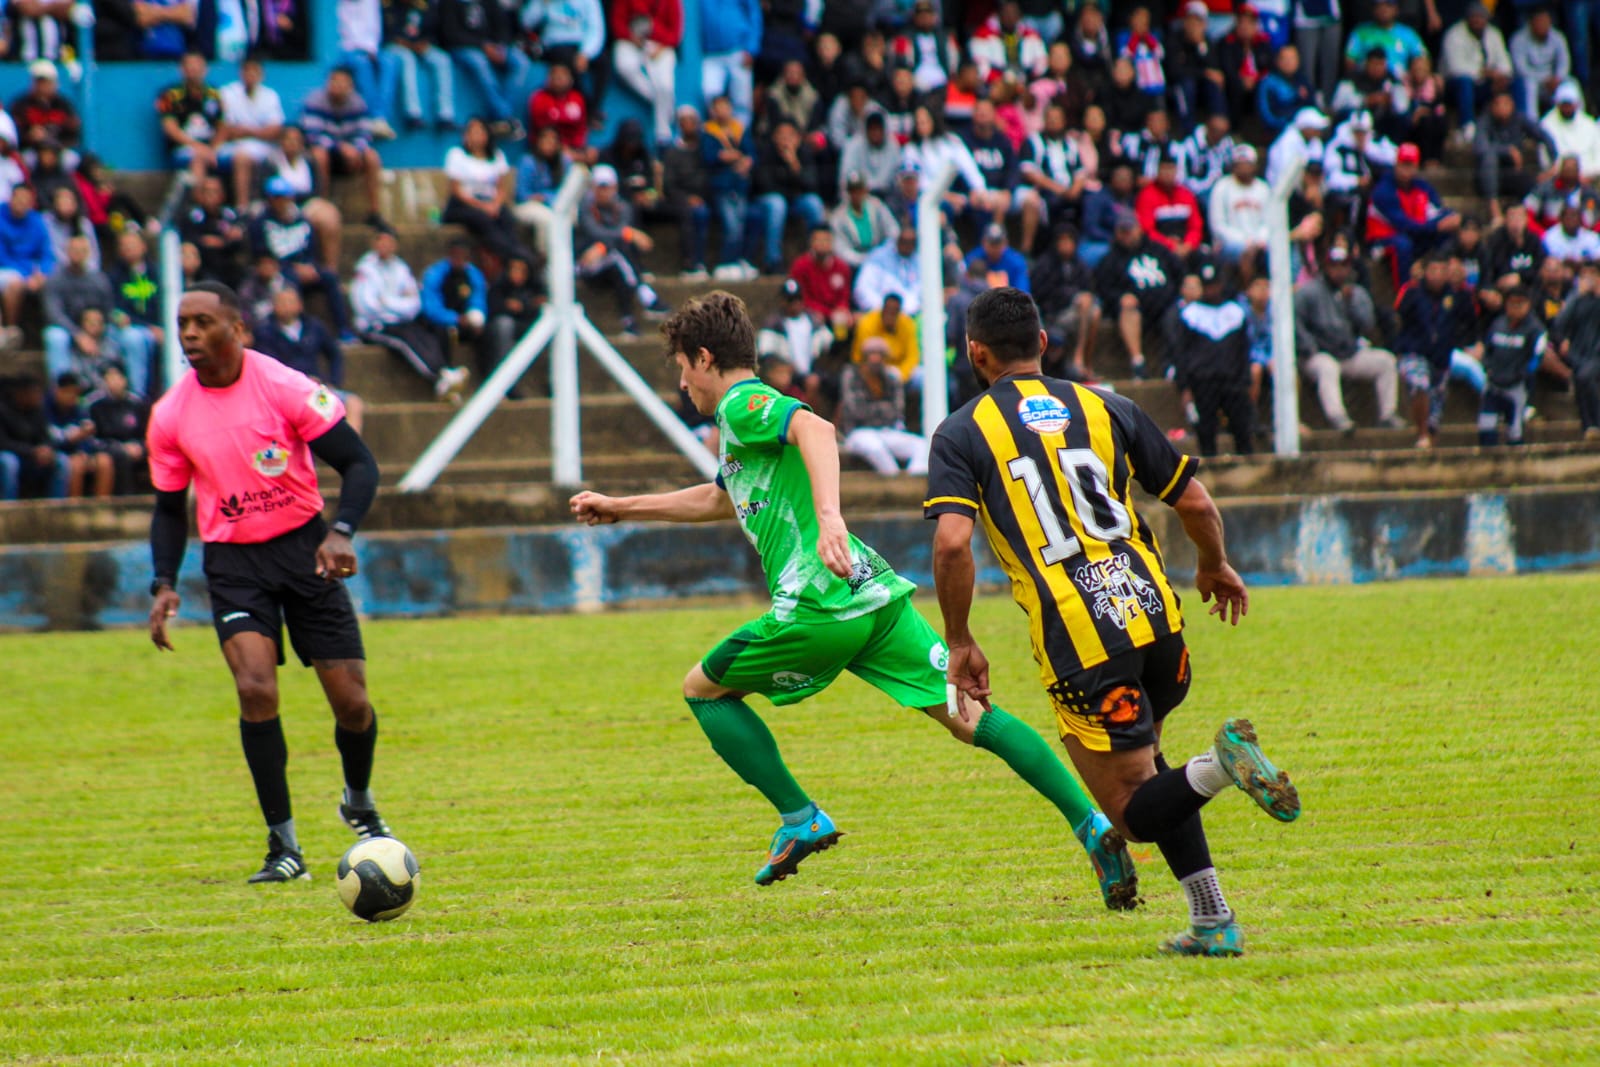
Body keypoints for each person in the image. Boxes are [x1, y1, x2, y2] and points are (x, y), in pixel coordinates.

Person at [569, 290, 1139, 908]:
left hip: (820, 604)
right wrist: (622, 507)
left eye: (682, 367)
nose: (682, 384)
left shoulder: (740, 402)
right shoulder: (740, 432)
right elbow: (717, 498)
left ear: (705, 358)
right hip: (873, 597)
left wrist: (830, 517)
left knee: (701, 690)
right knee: (970, 719)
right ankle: (1094, 826)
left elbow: (814, 427)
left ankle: (798, 816)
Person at [926, 286, 1299, 957]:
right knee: (1151, 768)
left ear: (976, 354)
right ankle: (1212, 918)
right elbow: (1196, 501)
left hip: (1083, 641)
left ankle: (1222, 763)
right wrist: (1214, 564)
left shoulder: (960, 432)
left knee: (1128, 813)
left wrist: (959, 638)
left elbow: (952, 543)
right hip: (1157, 620)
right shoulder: (1107, 405)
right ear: (1043, 343)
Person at [146, 282, 388, 884]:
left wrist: (342, 532)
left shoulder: (284, 386)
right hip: (233, 566)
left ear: (239, 330)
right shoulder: (170, 414)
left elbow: (360, 464)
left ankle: (357, 801)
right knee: (255, 690)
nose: (190, 334)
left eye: (203, 322)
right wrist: (163, 582)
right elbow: (168, 509)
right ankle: (284, 848)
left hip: (306, 552)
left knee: (352, 704)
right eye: (183, 324)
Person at [1294, 244, 1404, 432]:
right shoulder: (1309, 292)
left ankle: (1388, 415)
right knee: (1327, 366)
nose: (1339, 271)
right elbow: (1295, 322)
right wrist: (1309, 347)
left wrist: (1351, 303)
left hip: (1347, 353)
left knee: (1386, 361)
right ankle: (1338, 417)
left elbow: (1368, 323)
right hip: (1317, 356)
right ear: (1326, 267)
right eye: (1334, 266)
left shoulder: (1356, 293)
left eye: (1343, 266)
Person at [352, 227, 468, 399]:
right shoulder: (365, 269)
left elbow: (414, 304)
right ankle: (438, 376)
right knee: (406, 339)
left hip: (401, 321)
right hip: (373, 325)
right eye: (381, 240)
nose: (385, 245)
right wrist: (397, 302)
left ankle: (444, 373)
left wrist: (386, 300)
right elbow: (366, 305)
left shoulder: (400, 268)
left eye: (389, 241)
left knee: (427, 334)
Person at [250, 178, 354, 343]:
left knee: (330, 278)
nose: (280, 201)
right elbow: (261, 255)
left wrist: (310, 266)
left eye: (284, 196)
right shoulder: (260, 223)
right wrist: (290, 266)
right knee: (290, 282)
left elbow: (311, 247)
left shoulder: (302, 220)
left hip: (305, 267)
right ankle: (301, 331)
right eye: (276, 197)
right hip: (279, 270)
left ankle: (344, 329)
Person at [576, 164, 670, 340]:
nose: (603, 192)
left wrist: (607, 244)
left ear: (615, 187)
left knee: (618, 258)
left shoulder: (623, 207)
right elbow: (594, 232)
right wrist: (625, 235)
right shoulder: (585, 208)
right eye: (600, 187)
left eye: (607, 187)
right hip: (587, 264)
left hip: (613, 263)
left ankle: (629, 321)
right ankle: (645, 295)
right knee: (619, 255)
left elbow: (618, 234)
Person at [1396, 253, 1480, 448]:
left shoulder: (1456, 295)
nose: (1438, 275)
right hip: (1414, 352)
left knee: (1436, 409)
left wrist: (1471, 343)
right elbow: (1400, 313)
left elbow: (1470, 321)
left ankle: (1429, 439)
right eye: (1433, 270)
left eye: (1443, 271)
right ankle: (1422, 434)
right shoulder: (1413, 293)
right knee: (1420, 385)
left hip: (1441, 357)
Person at [1171, 262, 1254, 457]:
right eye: (1207, 286)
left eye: (1214, 285)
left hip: (1232, 381)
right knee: (1205, 431)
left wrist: (1245, 380)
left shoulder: (1235, 312)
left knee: (1242, 428)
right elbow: (1180, 353)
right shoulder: (1190, 315)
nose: (1211, 290)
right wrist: (1184, 387)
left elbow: (1243, 350)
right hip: (1203, 382)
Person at [253, 286, 364, 432]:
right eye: (282, 302)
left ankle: (350, 451)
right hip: (287, 395)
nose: (286, 306)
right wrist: (300, 381)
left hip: (317, 390)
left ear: (299, 305)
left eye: (290, 302)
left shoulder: (314, 327)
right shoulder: (265, 332)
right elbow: (268, 367)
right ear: (274, 306)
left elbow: (334, 354)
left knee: (352, 403)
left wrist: (332, 382)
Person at [1094, 210, 1181, 381]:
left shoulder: (1158, 250)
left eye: (1130, 229)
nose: (1127, 235)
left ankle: (1174, 363)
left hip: (1166, 305)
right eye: (1122, 231)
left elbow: (1179, 273)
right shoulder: (1110, 259)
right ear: (1116, 232)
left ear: (1139, 229)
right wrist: (1120, 297)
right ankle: (1138, 363)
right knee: (1128, 310)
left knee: (1176, 314)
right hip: (1136, 310)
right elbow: (1103, 289)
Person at [301, 67, 385, 227]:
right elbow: (313, 135)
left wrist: (355, 150)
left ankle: (374, 213)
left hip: (351, 156)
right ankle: (322, 206)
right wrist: (340, 148)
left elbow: (365, 133)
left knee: (372, 156)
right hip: (326, 154)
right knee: (319, 154)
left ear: (350, 85)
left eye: (342, 82)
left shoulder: (358, 103)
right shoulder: (314, 100)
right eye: (333, 81)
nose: (337, 85)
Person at [1368, 143, 1461, 282]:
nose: (1406, 170)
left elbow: (1439, 211)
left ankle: (1439, 281)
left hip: (1415, 234)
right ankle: (1404, 291)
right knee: (1403, 244)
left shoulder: (1421, 187)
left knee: (1447, 232)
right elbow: (1403, 224)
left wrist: (1449, 218)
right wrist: (1436, 226)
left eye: (1410, 165)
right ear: (1396, 164)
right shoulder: (1383, 191)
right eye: (1403, 164)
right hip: (1385, 239)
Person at [439, 0, 530, 139]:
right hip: (463, 47)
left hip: (491, 47)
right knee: (479, 63)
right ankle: (504, 117)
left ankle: (502, 118)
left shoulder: (489, 2)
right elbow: (450, 34)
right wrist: (482, 46)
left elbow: (503, 27)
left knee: (521, 62)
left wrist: (500, 46)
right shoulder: (449, 3)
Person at [837, 335, 928, 475]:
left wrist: (875, 410)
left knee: (922, 445)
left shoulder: (891, 377)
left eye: (879, 355)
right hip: (859, 432)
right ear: (864, 357)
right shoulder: (851, 376)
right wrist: (883, 409)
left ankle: (912, 480)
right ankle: (896, 482)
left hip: (888, 431)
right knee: (875, 447)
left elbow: (897, 411)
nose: (875, 359)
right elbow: (857, 410)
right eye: (871, 354)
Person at [441, 118, 525, 263]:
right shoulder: (457, 155)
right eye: (471, 132)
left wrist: (495, 205)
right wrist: (482, 206)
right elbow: (456, 190)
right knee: (484, 221)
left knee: (506, 218)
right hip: (464, 205)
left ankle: (519, 253)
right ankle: (512, 258)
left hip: (490, 202)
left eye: (480, 132)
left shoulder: (497, 156)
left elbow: (501, 188)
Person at [752, 120, 825, 276]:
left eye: (789, 136)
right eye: (781, 135)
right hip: (769, 202)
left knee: (814, 203)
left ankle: (817, 255)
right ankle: (773, 260)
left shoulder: (804, 154)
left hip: (795, 201)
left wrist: (794, 165)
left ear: (798, 138)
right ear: (774, 138)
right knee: (777, 204)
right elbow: (764, 185)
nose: (785, 140)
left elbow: (812, 185)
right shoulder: (767, 153)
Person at [1475, 286, 1545, 446]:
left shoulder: (1535, 330)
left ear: (1528, 305)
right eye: (1512, 303)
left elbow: (1536, 359)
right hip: (1494, 385)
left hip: (1517, 387)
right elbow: (1488, 351)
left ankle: (1516, 466)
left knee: (1514, 430)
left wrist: (1521, 375)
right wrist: (1488, 367)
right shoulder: (1498, 325)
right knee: (1486, 426)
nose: (1516, 308)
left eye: (1521, 304)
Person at [43, 234, 116, 385]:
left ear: (88, 253)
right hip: (69, 330)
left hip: (97, 328)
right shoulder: (55, 279)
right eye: (73, 250)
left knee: (126, 336)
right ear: (66, 252)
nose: (77, 254)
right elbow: (54, 314)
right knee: (55, 336)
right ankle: (62, 388)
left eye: (81, 250)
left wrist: (97, 329)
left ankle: (123, 388)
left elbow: (108, 310)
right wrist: (78, 335)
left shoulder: (99, 280)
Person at [419, 238, 490, 392]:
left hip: (465, 321)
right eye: (456, 256)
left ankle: (489, 379)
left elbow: (478, 299)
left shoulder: (473, 275)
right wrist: (455, 318)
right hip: (441, 321)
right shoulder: (435, 274)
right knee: (443, 332)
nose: (459, 260)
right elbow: (430, 307)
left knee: (487, 333)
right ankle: (446, 376)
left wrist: (476, 317)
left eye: (463, 257)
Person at [218, 57, 287, 212]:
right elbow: (225, 129)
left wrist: (247, 131)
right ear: (240, 73)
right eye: (246, 70)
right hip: (232, 146)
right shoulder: (227, 93)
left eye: (254, 71)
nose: (250, 74)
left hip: (263, 146)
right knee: (240, 155)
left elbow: (275, 130)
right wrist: (258, 131)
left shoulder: (270, 95)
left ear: (261, 74)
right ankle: (242, 207)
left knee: (246, 155)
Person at [611, 0, 683, 147]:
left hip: (661, 45)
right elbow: (617, 24)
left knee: (665, 87)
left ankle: (663, 135)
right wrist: (631, 37)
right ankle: (667, 106)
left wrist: (661, 44)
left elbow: (675, 36)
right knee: (625, 66)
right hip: (631, 42)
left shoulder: (672, 2)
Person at [703, 95, 758, 282]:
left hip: (740, 185)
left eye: (725, 107)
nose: (722, 111)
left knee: (743, 220)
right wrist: (726, 156)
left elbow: (750, 154)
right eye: (717, 108)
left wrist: (745, 162)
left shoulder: (739, 129)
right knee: (731, 224)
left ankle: (740, 260)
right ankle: (727, 262)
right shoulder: (709, 131)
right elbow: (710, 157)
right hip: (721, 186)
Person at [1439, 2, 1513, 141]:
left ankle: (1510, 126)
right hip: (1455, 86)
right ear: (1467, 18)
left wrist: (1498, 75)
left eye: (1481, 17)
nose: (1477, 21)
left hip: (1486, 84)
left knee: (1511, 82)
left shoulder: (1493, 34)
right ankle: (1467, 126)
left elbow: (1506, 65)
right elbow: (1455, 68)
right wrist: (1483, 73)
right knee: (1465, 82)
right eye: (1474, 17)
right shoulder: (1454, 34)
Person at [383, 0, 457, 132]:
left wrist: (426, 42)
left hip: (419, 46)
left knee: (442, 60)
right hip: (395, 47)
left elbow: (434, 30)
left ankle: (445, 115)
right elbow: (387, 32)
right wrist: (403, 42)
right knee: (407, 59)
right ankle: (413, 113)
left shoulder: (426, 6)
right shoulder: (389, 5)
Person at [155, 53, 226, 184]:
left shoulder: (215, 93)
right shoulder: (168, 95)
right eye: (189, 65)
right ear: (181, 69)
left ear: (205, 69)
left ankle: (243, 204)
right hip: (183, 149)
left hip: (212, 148)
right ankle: (199, 201)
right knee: (198, 158)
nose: (193, 69)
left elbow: (222, 126)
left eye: (197, 65)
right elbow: (170, 128)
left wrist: (213, 149)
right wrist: (198, 147)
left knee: (243, 157)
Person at [108, 231, 163, 398]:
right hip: (130, 329)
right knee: (133, 338)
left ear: (143, 247)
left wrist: (161, 327)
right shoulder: (114, 276)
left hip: (158, 328)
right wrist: (148, 326)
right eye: (124, 246)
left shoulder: (157, 273)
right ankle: (137, 394)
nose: (128, 249)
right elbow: (115, 310)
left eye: (132, 245)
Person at [0, 183, 54, 349]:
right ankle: (9, 329)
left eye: (26, 201)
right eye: (19, 199)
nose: (22, 203)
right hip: (7, 268)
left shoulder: (37, 221)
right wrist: (26, 274)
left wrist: (42, 273)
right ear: (11, 198)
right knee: (14, 282)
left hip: (30, 271)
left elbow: (47, 254)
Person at [1550, 261, 1600, 437]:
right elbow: (1560, 323)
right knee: (1580, 381)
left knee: (1585, 376)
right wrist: (1577, 296)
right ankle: (1589, 426)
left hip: (1596, 352)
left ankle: (1596, 422)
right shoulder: (1576, 299)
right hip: (1578, 352)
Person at [0, 372, 69, 499]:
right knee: (9, 463)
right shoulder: (3, 410)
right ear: (21, 393)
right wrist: (32, 451)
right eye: (34, 393)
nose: (38, 397)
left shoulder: (38, 411)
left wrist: (47, 449)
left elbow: (47, 437)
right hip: (11, 454)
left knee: (61, 461)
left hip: (33, 456)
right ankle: (8, 505)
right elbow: (3, 442)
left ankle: (56, 505)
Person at [484, 255, 546, 393]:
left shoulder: (534, 287)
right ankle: (503, 381)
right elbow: (493, 307)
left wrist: (524, 306)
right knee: (504, 326)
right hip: (500, 329)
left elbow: (538, 307)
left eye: (521, 270)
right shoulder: (499, 286)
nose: (517, 274)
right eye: (514, 269)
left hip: (526, 326)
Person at [661, 107, 711, 280]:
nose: (689, 126)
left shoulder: (704, 149)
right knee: (691, 214)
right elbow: (668, 184)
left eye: (692, 121)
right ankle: (692, 262)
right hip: (680, 199)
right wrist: (687, 198)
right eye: (684, 122)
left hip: (705, 196)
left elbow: (708, 175)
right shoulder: (673, 152)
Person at [86, 361, 150, 494]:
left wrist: (139, 446)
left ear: (124, 380)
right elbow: (93, 438)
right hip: (108, 448)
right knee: (119, 456)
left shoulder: (137, 403)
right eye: (109, 378)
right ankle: (126, 498)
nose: (113, 382)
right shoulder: (96, 405)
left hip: (135, 447)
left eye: (116, 377)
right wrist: (119, 447)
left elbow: (147, 433)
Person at [1208, 145, 1270, 278]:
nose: (1243, 168)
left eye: (1247, 164)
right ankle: (1247, 291)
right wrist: (1245, 241)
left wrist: (1259, 240)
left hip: (1259, 242)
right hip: (1230, 244)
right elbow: (1218, 225)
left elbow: (1268, 222)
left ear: (1254, 166)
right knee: (1245, 253)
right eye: (1239, 164)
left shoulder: (1263, 188)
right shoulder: (1222, 187)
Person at [179, 175, 247, 289]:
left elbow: (238, 241)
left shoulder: (230, 215)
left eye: (215, 192)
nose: (211, 196)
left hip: (229, 266)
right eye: (207, 192)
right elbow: (194, 241)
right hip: (204, 268)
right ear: (199, 195)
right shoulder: (192, 216)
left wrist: (221, 243)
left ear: (222, 195)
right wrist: (224, 241)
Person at [1134, 151, 1202, 263]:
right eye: (1164, 169)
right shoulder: (1147, 195)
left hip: (1186, 247)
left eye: (1171, 169)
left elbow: (1195, 226)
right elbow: (1147, 230)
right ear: (1158, 171)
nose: (1168, 173)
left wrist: (1188, 245)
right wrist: (1170, 245)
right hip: (1159, 248)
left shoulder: (1186, 195)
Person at [10, 59, 81, 164]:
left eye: (47, 82)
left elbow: (74, 134)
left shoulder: (64, 105)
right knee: (24, 160)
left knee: (71, 159)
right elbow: (12, 134)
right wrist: (29, 136)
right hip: (32, 151)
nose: (43, 86)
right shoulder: (21, 105)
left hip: (58, 151)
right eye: (39, 82)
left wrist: (53, 140)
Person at [790, 224, 855, 337]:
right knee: (813, 318)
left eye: (826, 240)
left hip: (836, 314)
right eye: (817, 240)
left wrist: (842, 309)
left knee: (854, 320)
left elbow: (844, 295)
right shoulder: (800, 266)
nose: (821, 244)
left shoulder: (841, 267)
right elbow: (801, 297)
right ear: (811, 243)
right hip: (813, 313)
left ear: (832, 243)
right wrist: (827, 313)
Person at [1510, 7, 1571, 120]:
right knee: (1529, 84)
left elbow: (1564, 61)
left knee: (1572, 83)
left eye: (1546, 22)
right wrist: (1544, 80)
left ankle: (1579, 120)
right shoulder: (1518, 39)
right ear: (1531, 23)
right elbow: (1520, 68)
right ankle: (1532, 123)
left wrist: (1557, 78)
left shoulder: (1558, 37)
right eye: (1539, 22)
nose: (1543, 26)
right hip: (1533, 80)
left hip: (1553, 81)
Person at [527, 61, 595, 162]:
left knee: (593, 155)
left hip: (573, 149)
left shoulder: (577, 98)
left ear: (570, 80)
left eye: (563, 76)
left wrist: (578, 150)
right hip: (544, 148)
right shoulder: (539, 98)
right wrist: (565, 150)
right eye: (555, 76)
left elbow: (581, 128)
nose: (559, 79)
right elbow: (544, 131)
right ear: (548, 79)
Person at [854, 223, 923, 318]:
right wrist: (883, 310)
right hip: (878, 313)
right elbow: (863, 290)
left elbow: (920, 293)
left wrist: (907, 311)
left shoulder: (920, 262)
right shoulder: (878, 257)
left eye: (911, 243)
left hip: (911, 316)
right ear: (897, 240)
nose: (907, 246)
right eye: (904, 242)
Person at [828, 174, 897, 269]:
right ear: (848, 193)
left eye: (860, 190)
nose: (857, 195)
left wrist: (883, 253)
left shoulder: (878, 206)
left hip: (881, 257)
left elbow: (893, 230)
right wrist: (863, 260)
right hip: (854, 264)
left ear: (866, 190)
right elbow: (841, 248)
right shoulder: (838, 216)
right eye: (853, 191)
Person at [1344, 0, 1425, 78]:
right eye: (1379, 4)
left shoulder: (1408, 34)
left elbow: (1422, 58)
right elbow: (1350, 61)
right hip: (1364, 83)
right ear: (1373, 8)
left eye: (1389, 4)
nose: (1384, 8)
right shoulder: (1360, 31)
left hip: (1398, 84)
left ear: (1396, 9)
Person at [1541, 82, 1600, 180]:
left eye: (1570, 105)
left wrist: (1588, 174)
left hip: (1590, 176)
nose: (1567, 109)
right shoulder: (1547, 124)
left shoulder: (1589, 124)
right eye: (1564, 105)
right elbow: (1545, 159)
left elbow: (1598, 154)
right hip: (1560, 177)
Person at [1258, 44, 1316, 138]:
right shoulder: (1268, 83)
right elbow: (1267, 116)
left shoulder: (1303, 80)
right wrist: (1288, 123)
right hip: (1279, 131)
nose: (1289, 62)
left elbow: (1312, 107)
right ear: (1277, 61)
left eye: (1292, 58)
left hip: (1305, 130)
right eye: (1285, 58)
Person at [964, 223, 1030, 293]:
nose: (995, 248)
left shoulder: (1016, 262)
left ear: (1005, 243)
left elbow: (1023, 292)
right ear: (983, 242)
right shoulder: (973, 258)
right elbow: (963, 285)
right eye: (992, 244)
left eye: (998, 243)